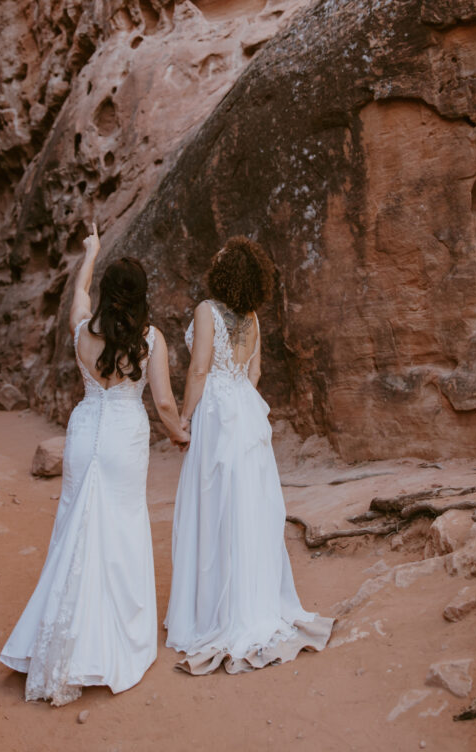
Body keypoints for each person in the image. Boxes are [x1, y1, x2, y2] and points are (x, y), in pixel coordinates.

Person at [0, 223, 189, 704]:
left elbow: (78, 294)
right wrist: (181, 434)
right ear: (142, 295)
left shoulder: (84, 330)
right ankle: (111, 640)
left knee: (75, 526)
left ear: (108, 293)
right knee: (120, 528)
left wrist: (91, 251)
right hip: (124, 436)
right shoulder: (151, 341)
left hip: (84, 431)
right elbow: (165, 404)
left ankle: (59, 639)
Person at [165, 236, 334, 674]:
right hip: (244, 409)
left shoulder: (206, 310)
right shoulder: (254, 319)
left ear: (225, 272)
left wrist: (184, 421)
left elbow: (199, 369)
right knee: (249, 508)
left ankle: (215, 613)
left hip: (217, 413)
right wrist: (239, 404)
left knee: (213, 506)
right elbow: (254, 372)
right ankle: (252, 600)